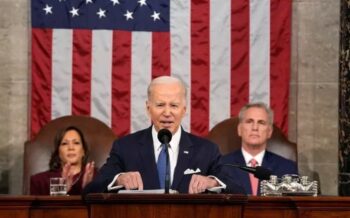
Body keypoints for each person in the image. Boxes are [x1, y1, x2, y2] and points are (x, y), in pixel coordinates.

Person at [83, 76, 245, 194]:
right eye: (160, 105)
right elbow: (91, 190)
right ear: (148, 108)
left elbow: (238, 191)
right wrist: (119, 179)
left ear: (184, 109)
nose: (167, 113)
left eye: (174, 105)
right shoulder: (125, 147)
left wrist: (212, 182)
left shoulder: (206, 150)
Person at [220, 102, 298, 195]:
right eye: (249, 121)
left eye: (261, 123)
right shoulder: (221, 166)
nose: (255, 127)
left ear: (269, 132)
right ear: (239, 129)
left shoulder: (287, 168)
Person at [30, 126, 96, 195]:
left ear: (83, 151)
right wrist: (61, 190)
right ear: (58, 152)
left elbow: (102, 205)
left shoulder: (97, 177)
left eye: (76, 143)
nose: (71, 148)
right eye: (64, 143)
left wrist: (88, 189)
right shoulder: (39, 181)